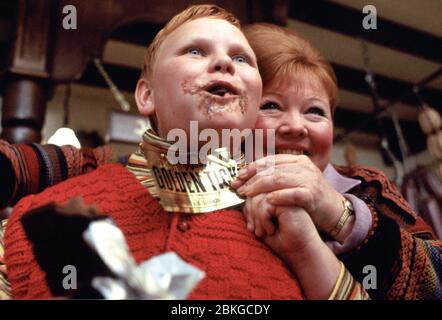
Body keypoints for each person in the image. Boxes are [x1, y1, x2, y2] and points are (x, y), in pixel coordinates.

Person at [1, 5, 368, 300]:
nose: (225, 63)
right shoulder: (46, 211)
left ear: (253, 100)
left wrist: (307, 250)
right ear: (147, 95)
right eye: (195, 50)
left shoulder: (296, 228)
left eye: (242, 59)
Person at [231, 23, 442, 300]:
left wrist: (340, 215)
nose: (296, 126)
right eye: (270, 105)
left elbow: (437, 282)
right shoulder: (204, 194)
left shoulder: (368, 185)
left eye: (315, 111)